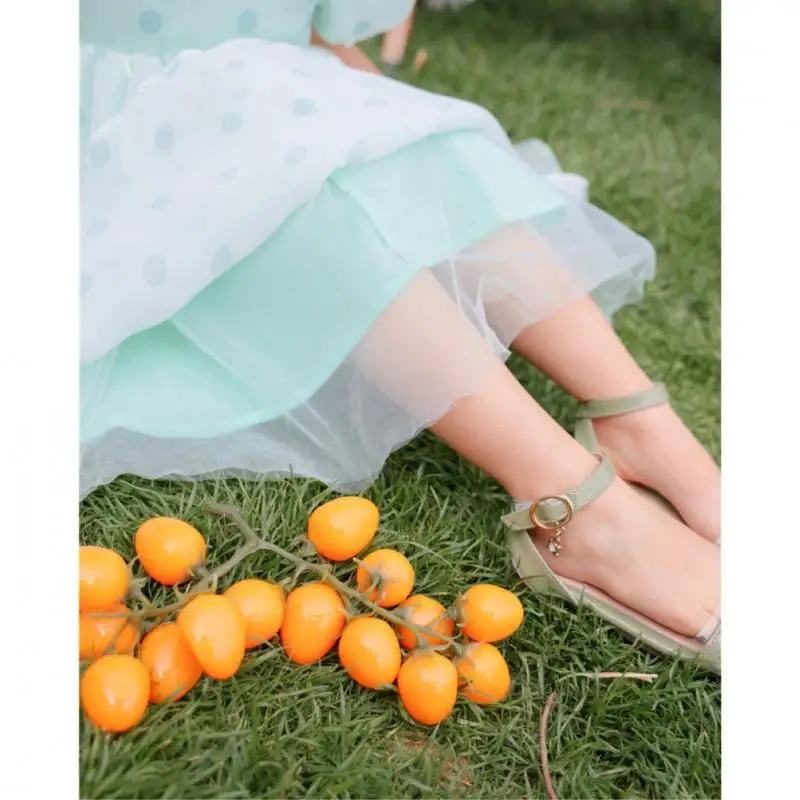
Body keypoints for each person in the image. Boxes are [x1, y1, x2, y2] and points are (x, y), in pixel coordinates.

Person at [79, 1, 720, 671]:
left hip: (269, 80)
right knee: (277, 172)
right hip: (124, 128)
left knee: (416, 152)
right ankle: (576, 506)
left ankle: (634, 417)